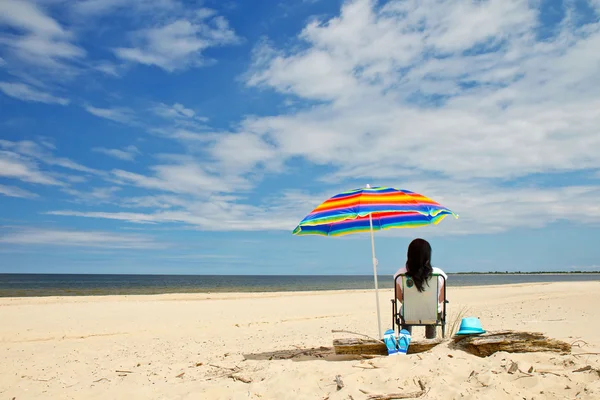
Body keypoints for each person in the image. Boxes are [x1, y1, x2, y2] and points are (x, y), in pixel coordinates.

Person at [394, 238, 447, 339]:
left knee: (406, 311)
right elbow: (441, 298)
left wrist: (413, 303)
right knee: (434, 310)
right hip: (432, 314)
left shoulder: (401, 274)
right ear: (428, 255)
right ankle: (431, 339)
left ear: (409, 255)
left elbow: (400, 298)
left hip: (408, 315)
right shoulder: (439, 273)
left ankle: (405, 339)